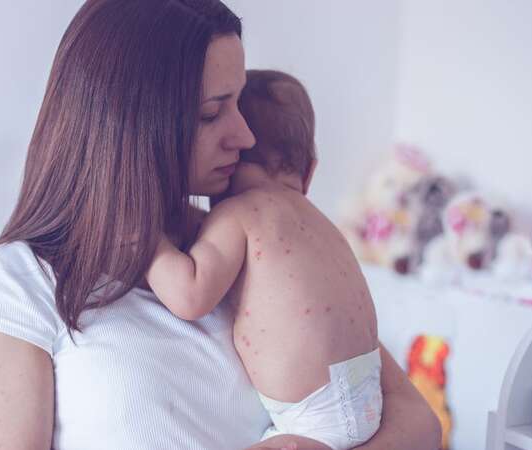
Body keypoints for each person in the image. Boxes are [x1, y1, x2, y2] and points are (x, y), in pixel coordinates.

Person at [0, 1, 441, 449]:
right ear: (131, 124)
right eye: (212, 113)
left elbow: (416, 423)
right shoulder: (18, 284)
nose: (245, 134)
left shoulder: (251, 253)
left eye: (240, 102)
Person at [146, 69, 382, 450]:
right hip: (370, 399)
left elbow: (189, 295)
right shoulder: (321, 223)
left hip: (309, 422)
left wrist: (148, 239)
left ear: (230, 157)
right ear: (309, 170)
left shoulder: (240, 213)